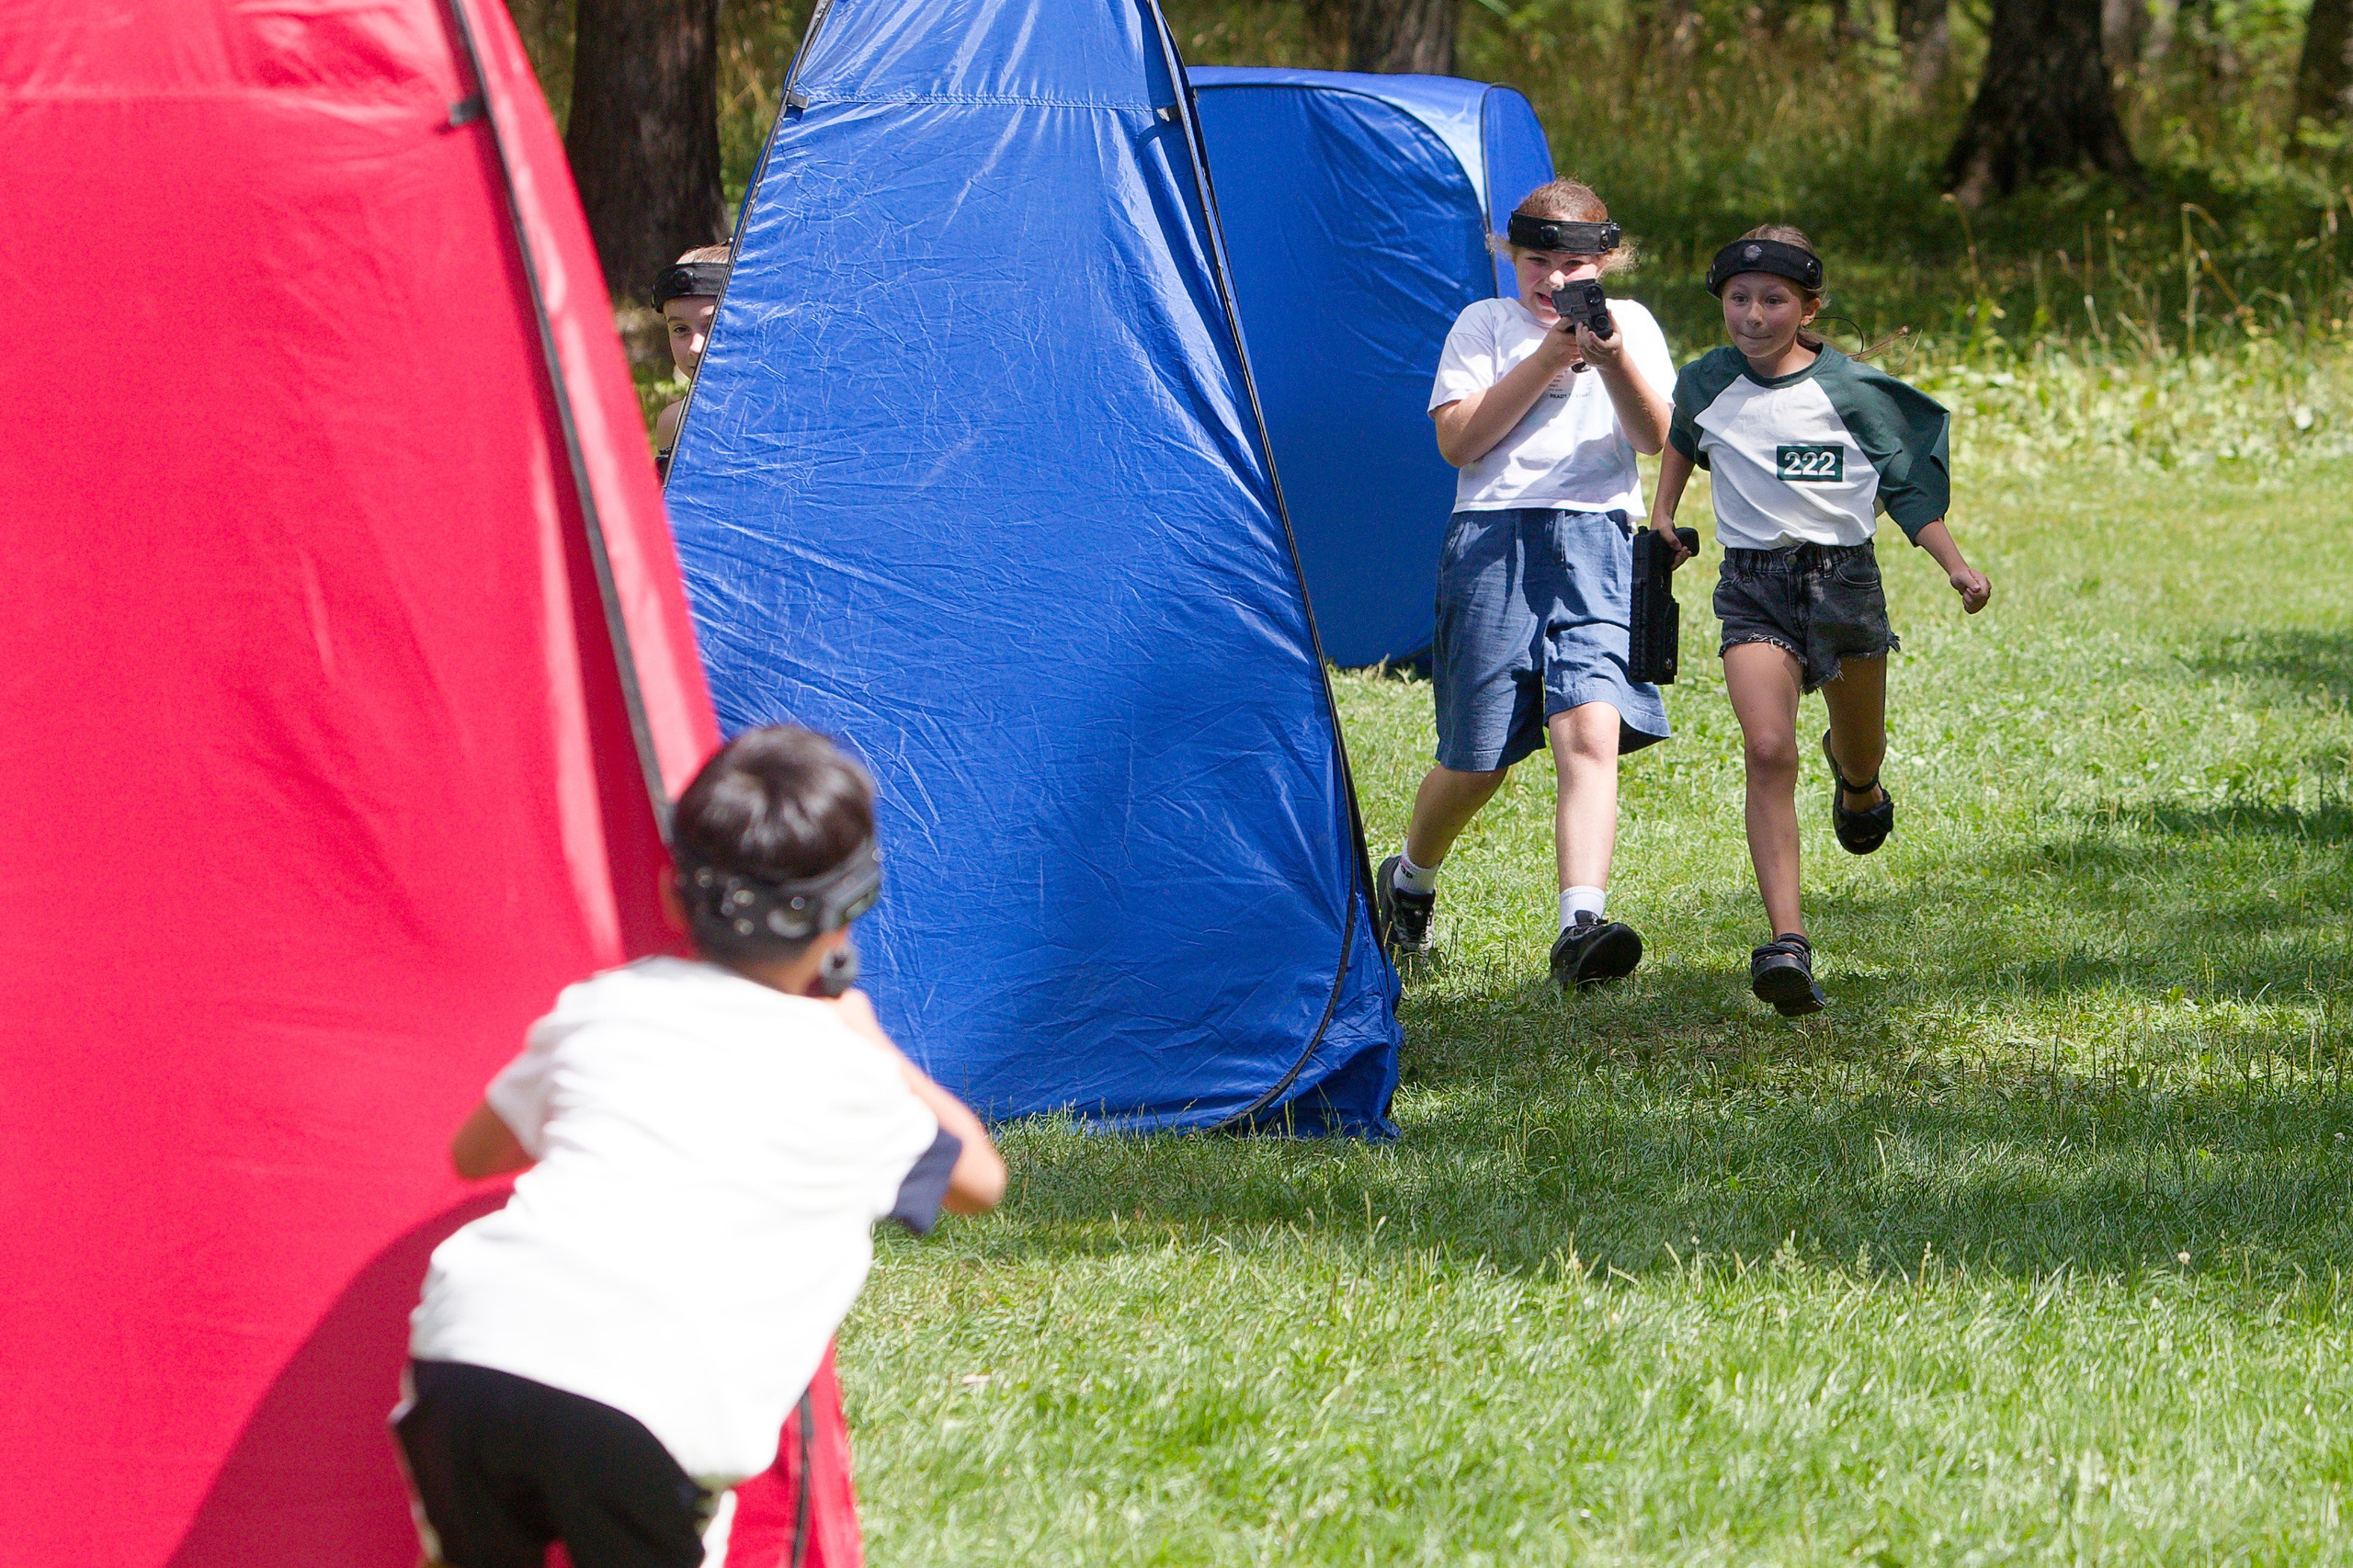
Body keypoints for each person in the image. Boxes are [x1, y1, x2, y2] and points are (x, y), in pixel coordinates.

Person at [394, 725, 1006, 1568]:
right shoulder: (848, 1075)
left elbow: (475, 1155)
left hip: (468, 1352)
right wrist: (874, 1045)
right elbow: (980, 1178)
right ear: (847, 921)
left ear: (673, 896)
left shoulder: (601, 1008)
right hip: (647, 1404)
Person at [1647, 225, 1993, 1016]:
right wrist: (1664, 514)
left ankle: (1860, 779)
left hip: (1843, 581)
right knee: (1768, 749)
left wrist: (1956, 566)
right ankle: (1788, 944)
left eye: (1774, 300)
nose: (1754, 314)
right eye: (1740, 298)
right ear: (1722, 303)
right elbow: (1681, 438)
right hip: (1752, 583)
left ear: (1808, 307)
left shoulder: (1852, 391)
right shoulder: (1706, 382)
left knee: (1860, 742)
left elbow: (1906, 487)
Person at [1375, 178, 1679, 991]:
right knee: (1477, 761)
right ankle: (1409, 880)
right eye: (1536, 261)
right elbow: (1461, 442)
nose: (1553, 281)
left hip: (1597, 540)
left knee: (1591, 729)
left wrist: (1609, 358)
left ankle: (1580, 923)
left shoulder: (1635, 326)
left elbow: (1653, 437)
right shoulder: (1486, 325)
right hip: (1493, 538)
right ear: (1510, 258)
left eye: (1574, 265)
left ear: (1606, 262)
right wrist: (1550, 356)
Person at [652, 244, 731, 478]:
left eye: (713, 325)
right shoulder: (675, 423)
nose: (696, 347)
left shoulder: (793, 416)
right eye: (680, 329)